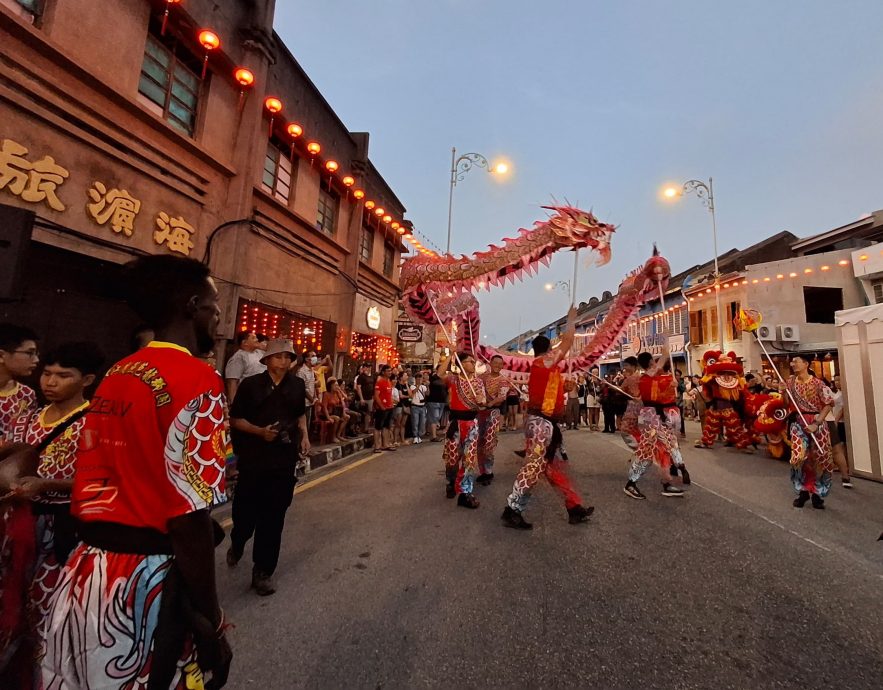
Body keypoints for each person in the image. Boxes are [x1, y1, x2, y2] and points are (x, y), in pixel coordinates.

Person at [41, 255, 232, 689]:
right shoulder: (198, 379)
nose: (218, 316)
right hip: (145, 586)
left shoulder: (119, 371)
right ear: (190, 306)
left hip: (85, 574)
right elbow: (189, 518)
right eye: (212, 304)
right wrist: (211, 624)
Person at [0, 342, 103, 686]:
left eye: (63, 375)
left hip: (63, 529)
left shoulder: (94, 421)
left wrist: (45, 484)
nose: (51, 382)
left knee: (47, 608)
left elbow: (98, 480)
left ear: (86, 379)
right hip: (22, 521)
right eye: (47, 373)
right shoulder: (31, 416)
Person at [228, 338, 309, 595]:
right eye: (278, 356)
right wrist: (259, 432)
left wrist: (304, 435)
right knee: (245, 513)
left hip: (283, 458)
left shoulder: (297, 385)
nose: (284, 361)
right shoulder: (251, 385)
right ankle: (238, 541)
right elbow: (236, 419)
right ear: (267, 360)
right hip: (254, 458)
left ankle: (263, 571)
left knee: (274, 516)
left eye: (288, 357)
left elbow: (299, 413)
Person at [502, 307, 593, 529]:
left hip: (544, 422)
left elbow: (550, 393)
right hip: (541, 423)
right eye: (553, 348)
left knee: (549, 469)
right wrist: (571, 321)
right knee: (533, 467)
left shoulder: (544, 368)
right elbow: (569, 341)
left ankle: (573, 507)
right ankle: (512, 509)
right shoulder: (544, 363)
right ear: (549, 349)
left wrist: (565, 387)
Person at [624, 353, 690, 500]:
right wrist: (666, 352)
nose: (656, 363)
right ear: (650, 362)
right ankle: (631, 483)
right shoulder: (647, 377)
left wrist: (669, 387)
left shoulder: (649, 377)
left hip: (658, 417)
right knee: (647, 452)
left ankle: (666, 483)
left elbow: (659, 396)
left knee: (666, 449)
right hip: (651, 418)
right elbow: (657, 397)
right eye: (654, 361)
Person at [787, 356, 835, 509]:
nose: (793, 364)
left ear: (806, 364)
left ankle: (817, 493)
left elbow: (828, 404)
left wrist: (817, 422)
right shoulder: (790, 382)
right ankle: (803, 490)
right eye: (792, 362)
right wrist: (783, 392)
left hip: (816, 421)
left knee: (820, 458)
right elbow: (786, 403)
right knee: (798, 457)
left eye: (797, 361)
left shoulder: (818, 383)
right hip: (798, 422)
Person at [439, 352, 486, 508]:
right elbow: (439, 374)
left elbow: (483, 404)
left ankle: (465, 493)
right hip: (455, 425)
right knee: (452, 459)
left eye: (473, 361)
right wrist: (451, 355)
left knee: (469, 460)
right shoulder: (453, 379)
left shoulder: (479, 382)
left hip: (471, 424)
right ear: (461, 364)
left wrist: (481, 401)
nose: (473, 363)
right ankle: (451, 481)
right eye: (470, 361)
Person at [0, 324, 40, 441]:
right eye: (29, 353)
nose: (36, 360)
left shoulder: (26, 394)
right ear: (1, 355)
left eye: (36, 354)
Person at [476, 354, 509, 486]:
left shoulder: (504, 380)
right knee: (479, 443)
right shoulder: (482, 377)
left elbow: (501, 397)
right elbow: (476, 389)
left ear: (502, 366)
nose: (497, 366)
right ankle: (482, 471)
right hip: (480, 413)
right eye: (495, 363)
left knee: (489, 443)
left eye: (500, 364)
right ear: (490, 363)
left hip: (493, 413)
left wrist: (490, 403)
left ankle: (489, 472)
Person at [225, 330, 266, 404]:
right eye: (253, 338)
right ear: (245, 343)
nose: (257, 340)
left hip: (261, 398)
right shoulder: (238, 357)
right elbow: (232, 382)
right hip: (246, 400)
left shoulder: (260, 353)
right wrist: (233, 403)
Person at [826, 375, 852, 489]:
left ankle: (845, 471)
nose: (837, 382)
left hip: (837, 421)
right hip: (831, 419)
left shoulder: (843, 394)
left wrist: (835, 420)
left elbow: (842, 408)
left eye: (839, 380)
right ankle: (844, 471)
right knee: (839, 446)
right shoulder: (835, 393)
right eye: (835, 380)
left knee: (839, 447)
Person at [373, 365, 396, 451]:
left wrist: (391, 404)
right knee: (378, 427)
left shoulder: (389, 382)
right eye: (388, 371)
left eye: (390, 371)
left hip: (389, 407)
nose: (390, 372)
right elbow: (376, 396)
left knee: (386, 427)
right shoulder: (380, 382)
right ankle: (377, 446)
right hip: (382, 408)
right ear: (383, 372)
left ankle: (385, 444)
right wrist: (381, 406)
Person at [296, 350, 318, 431]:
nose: (315, 358)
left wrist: (315, 398)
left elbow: (312, 385)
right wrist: (312, 400)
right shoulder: (301, 371)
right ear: (306, 359)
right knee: (302, 427)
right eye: (312, 356)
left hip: (310, 403)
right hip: (304, 403)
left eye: (315, 356)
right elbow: (302, 388)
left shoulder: (311, 370)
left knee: (307, 426)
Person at [426, 363, 448, 442]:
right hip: (433, 401)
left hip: (441, 401)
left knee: (437, 418)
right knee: (434, 418)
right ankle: (434, 436)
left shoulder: (445, 378)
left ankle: (433, 433)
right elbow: (436, 383)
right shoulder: (433, 377)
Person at [392, 371, 411, 446]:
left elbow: (410, 394)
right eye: (405, 375)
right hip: (400, 406)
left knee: (403, 424)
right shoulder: (398, 385)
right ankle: (395, 440)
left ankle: (403, 440)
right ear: (401, 377)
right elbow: (401, 396)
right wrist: (408, 397)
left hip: (407, 405)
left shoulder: (406, 384)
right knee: (398, 424)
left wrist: (406, 384)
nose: (407, 377)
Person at [355, 363, 375, 431]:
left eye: (369, 367)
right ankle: (358, 428)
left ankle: (366, 428)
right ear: (363, 368)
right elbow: (358, 387)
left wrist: (373, 397)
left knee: (368, 413)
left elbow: (373, 387)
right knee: (361, 413)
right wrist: (361, 398)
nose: (369, 368)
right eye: (367, 367)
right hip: (362, 398)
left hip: (370, 398)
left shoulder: (371, 377)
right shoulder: (361, 377)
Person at [410, 372, 428, 443]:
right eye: (418, 379)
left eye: (420, 379)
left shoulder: (423, 387)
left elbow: (427, 393)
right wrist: (419, 385)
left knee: (422, 422)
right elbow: (414, 392)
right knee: (415, 422)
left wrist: (427, 386)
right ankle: (415, 436)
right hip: (415, 406)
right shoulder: (412, 386)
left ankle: (419, 436)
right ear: (416, 379)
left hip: (422, 406)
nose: (419, 380)